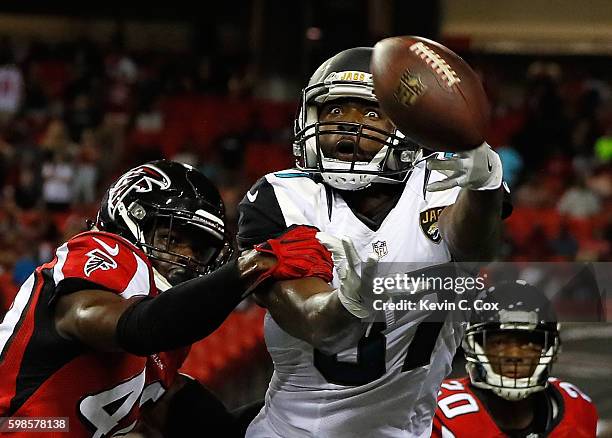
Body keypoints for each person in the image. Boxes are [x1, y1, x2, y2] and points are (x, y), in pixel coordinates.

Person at [237, 47, 511, 437]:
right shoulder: (283, 196)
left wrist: (484, 185)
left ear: (410, 125)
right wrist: (346, 303)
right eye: (334, 111)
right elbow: (309, 318)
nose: (347, 125)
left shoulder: (441, 182)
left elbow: (472, 245)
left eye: (369, 112)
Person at [0, 160, 334, 437]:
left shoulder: (165, 341)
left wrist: (330, 407)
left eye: (199, 249)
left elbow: (219, 432)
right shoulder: (102, 250)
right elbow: (132, 326)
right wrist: (249, 268)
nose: (186, 258)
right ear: (130, 220)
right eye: (172, 238)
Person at [432, 280, 598, 437]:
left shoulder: (576, 409)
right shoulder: (437, 413)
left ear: (548, 348)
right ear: (473, 346)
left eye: (527, 342)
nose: (514, 355)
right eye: (499, 342)